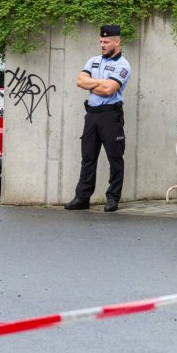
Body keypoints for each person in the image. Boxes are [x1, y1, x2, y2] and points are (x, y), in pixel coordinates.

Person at [65, 25, 132, 212]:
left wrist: (92, 84)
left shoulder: (123, 65)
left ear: (117, 42)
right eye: (101, 41)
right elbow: (80, 81)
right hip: (92, 115)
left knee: (115, 158)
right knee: (87, 158)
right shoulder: (93, 60)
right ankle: (82, 198)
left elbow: (109, 90)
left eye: (106, 42)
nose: (102, 45)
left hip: (111, 116)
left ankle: (112, 198)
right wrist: (101, 82)